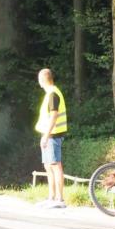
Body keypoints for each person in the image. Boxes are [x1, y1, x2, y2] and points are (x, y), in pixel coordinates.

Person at [35, 68, 67, 208]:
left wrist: (46, 136)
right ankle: (51, 197)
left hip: (53, 135)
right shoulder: (50, 93)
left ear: (42, 80)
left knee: (55, 165)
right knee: (49, 166)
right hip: (49, 135)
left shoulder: (53, 94)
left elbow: (54, 116)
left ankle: (59, 199)